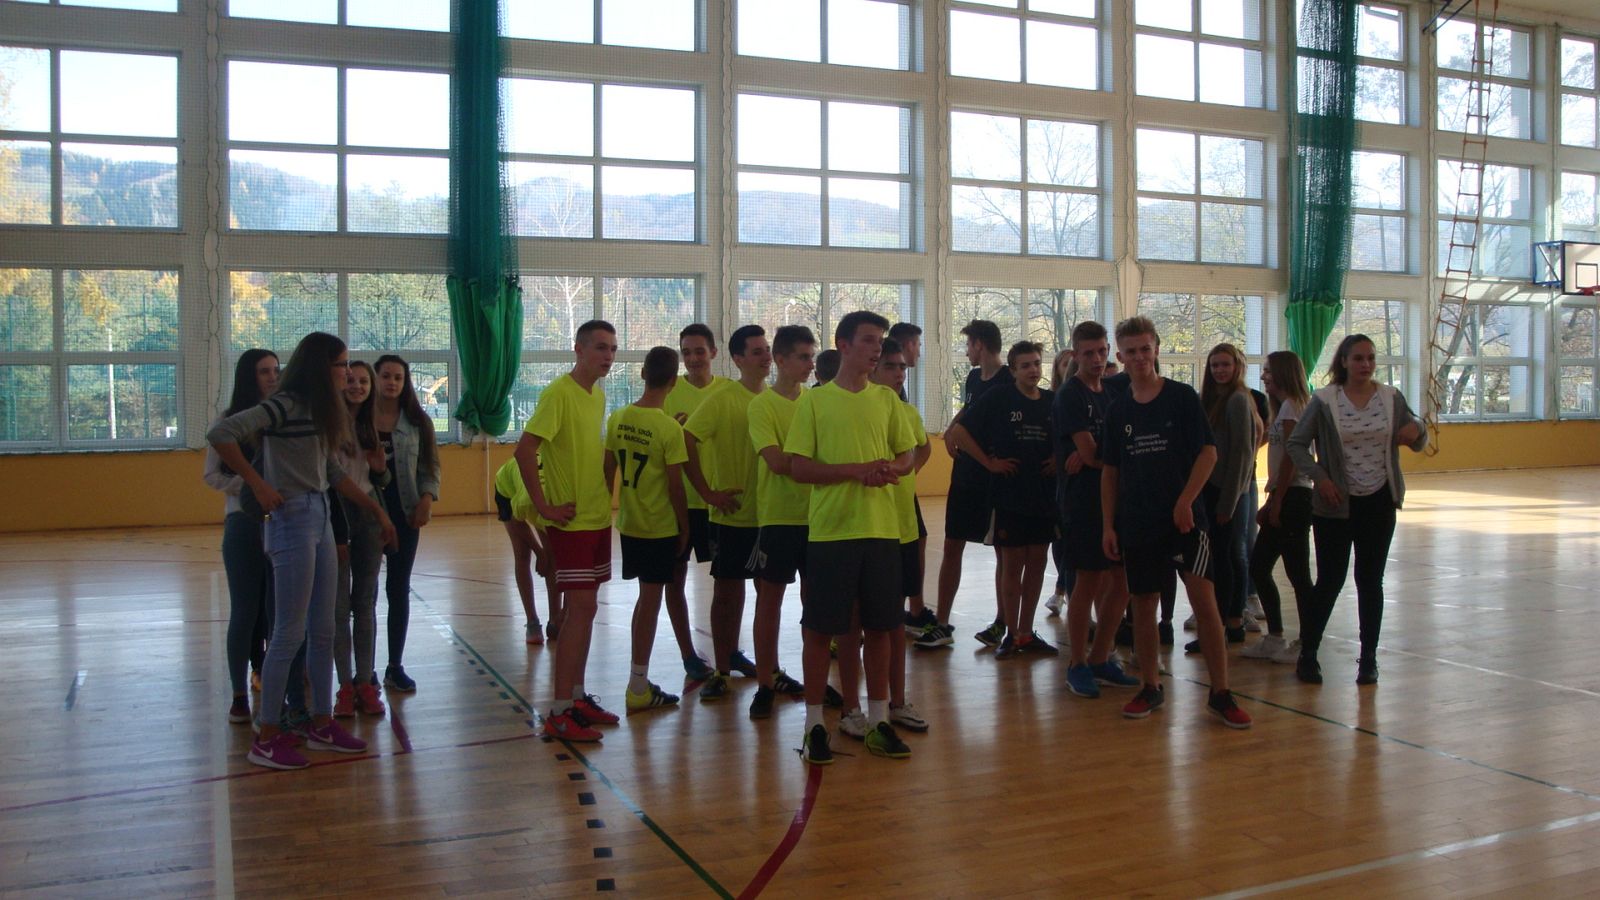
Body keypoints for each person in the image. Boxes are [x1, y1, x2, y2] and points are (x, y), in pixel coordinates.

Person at [209, 332, 398, 770]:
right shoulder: (285, 404)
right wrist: (258, 484)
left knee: (323, 628)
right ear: (321, 367)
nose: (348, 372)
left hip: (319, 513)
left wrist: (376, 510)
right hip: (291, 517)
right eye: (341, 364)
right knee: (289, 632)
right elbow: (221, 433)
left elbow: (332, 472)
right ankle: (267, 735)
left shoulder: (319, 410)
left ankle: (320, 723)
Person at [1100, 317, 1251, 729]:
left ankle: (1221, 693)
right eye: (1131, 351)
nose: (1139, 357)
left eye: (1145, 349)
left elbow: (1208, 453)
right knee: (1143, 604)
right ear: (1121, 356)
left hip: (1185, 523)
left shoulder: (1181, 398)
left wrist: (1186, 500)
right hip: (1138, 523)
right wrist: (1109, 525)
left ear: (1156, 349)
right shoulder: (1118, 411)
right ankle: (1150, 686)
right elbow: (1110, 471)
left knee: (1205, 603)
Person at [788, 311, 919, 764]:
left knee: (881, 628)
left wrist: (889, 469)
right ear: (843, 345)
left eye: (880, 341)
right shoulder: (815, 402)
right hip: (832, 533)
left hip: (882, 531)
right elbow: (798, 467)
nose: (876, 348)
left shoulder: (887, 400)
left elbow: (907, 455)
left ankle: (879, 721)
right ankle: (814, 726)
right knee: (820, 631)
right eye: (868, 340)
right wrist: (854, 471)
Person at [1286, 334, 1427, 685]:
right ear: (1344, 362)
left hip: (1379, 501)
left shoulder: (1390, 397)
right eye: (1359, 358)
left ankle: (1368, 659)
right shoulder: (1325, 400)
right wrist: (1321, 478)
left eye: (1371, 358)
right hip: (1335, 505)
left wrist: (1418, 429)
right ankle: (1308, 653)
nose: (1366, 364)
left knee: (1370, 581)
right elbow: (1297, 444)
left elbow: (1418, 435)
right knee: (1330, 581)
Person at [516, 320, 619, 741]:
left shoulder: (598, 395)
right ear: (578, 349)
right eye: (600, 347)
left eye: (612, 349)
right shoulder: (559, 393)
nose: (608, 356)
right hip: (571, 521)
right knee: (578, 610)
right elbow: (525, 449)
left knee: (586, 610)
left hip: (597, 517)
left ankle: (576, 697)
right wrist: (543, 507)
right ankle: (559, 711)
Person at [947, 341, 1059, 658]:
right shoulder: (999, 397)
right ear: (1013, 370)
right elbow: (960, 432)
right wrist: (989, 463)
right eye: (1025, 365)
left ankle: (1026, 632)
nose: (1033, 370)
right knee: (1012, 565)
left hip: (1043, 497)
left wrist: (1059, 457)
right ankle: (1011, 632)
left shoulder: (1051, 401)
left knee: (1037, 563)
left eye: (1036, 363)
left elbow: (1069, 437)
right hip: (1009, 496)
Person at [1055, 322, 1141, 699]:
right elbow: (1091, 455)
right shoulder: (1070, 396)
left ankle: (1101, 657)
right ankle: (1077, 663)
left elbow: (1103, 449)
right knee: (1087, 582)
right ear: (1075, 355)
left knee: (1121, 582)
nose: (1096, 359)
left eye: (1102, 351)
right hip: (1083, 503)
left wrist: (1100, 452)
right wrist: (1099, 453)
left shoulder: (1112, 391)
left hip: (1117, 500)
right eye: (1088, 353)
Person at [684, 324, 769, 699]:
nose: (766, 357)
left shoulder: (777, 399)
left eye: (767, 350)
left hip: (771, 516)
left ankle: (768, 669)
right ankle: (721, 670)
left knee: (768, 593)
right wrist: (707, 492)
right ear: (737, 359)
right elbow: (687, 438)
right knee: (728, 592)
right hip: (732, 515)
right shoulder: (722, 399)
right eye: (757, 351)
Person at [606, 346, 692, 713]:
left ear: (642, 374)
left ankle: (638, 681)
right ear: (674, 381)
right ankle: (638, 686)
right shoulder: (669, 428)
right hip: (659, 526)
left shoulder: (618, 417)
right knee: (651, 603)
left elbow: (607, 470)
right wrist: (684, 527)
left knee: (645, 599)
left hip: (630, 523)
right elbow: (675, 486)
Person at [745, 325, 817, 719]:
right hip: (778, 518)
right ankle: (765, 683)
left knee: (815, 602)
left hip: (818, 517)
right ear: (781, 360)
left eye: (812, 357)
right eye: (803, 357)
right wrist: (816, 466)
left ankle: (815, 682)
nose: (810, 365)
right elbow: (774, 461)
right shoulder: (762, 406)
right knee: (769, 601)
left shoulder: (816, 402)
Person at [205, 348, 278, 725]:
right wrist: (250, 486)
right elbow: (212, 475)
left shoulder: (282, 419)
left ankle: (275, 681)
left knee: (277, 611)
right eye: (264, 371)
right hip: (243, 524)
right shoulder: (228, 422)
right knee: (245, 610)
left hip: (281, 524)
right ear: (248, 376)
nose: (272, 377)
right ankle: (238, 695)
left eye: (276, 370)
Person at [933, 319, 1011, 647]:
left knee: (1003, 553)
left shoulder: (1009, 380)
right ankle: (941, 622)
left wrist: (987, 460)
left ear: (979, 344)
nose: (966, 352)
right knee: (952, 545)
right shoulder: (973, 378)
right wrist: (952, 429)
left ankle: (1003, 622)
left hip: (992, 480)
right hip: (965, 476)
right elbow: (968, 409)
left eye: (968, 345)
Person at [871, 337, 930, 733]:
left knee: (893, 621)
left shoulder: (907, 412)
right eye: (890, 366)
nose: (898, 373)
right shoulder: (858, 408)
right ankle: (857, 708)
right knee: (858, 624)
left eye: (902, 367)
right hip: (865, 528)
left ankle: (897, 701)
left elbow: (921, 450)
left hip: (902, 528)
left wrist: (906, 472)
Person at [372, 354, 440, 694]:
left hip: (405, 515)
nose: (392, 382)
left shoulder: (417, 422)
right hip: (366, 518)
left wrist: (426, 499)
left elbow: (430, 467)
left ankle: (395, 667)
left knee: (398, 589)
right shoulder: (357, 420)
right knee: (363, 596)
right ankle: (363, 672)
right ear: (375, 378)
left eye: (398, 377)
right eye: (386, 376)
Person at [1183, 343, 1258, 653]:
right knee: (1222, 557)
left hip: (1226, 492)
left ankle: (1225, 625)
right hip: (1212, 489)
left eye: (1225, 364)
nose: (1219, 370)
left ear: (1237, 367)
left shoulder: (1238, 399)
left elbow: (1242, 455)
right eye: (1215, 365)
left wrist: (1229, 501)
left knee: (1224, 560)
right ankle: (1230, 624)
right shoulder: (1213, 399)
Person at [1241, 351, 1315, 664]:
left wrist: (1278, 500)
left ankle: (1306, 643)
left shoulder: (1292, 407)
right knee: (1259, 567)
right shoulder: (1283, 407)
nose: (1263, 377)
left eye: (1269, 371)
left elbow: (1292, 458)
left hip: (1295, 497)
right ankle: (1275, 637)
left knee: (1298, 574)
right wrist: (1273, 499)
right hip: (1285, 495)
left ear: (1283, 373)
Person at [662, 324, 722, 681]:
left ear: (714, 352)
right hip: (682, 502)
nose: (693, 358)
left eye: (699, 351)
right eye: (686, 352)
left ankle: (728, 652)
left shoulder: (727, 392)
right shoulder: (669, 393)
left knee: (728, 582)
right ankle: (688, 654)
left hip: (719, 504)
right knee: (675, 578)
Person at [332, 360, 388, 718]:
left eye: (364, 381)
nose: (357, 386)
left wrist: (381, 471)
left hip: (367, 517)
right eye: (350, 380)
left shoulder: (372, 426)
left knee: (364, 602)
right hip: (336, 514)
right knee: (338, 607)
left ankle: (366, 681)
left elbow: (381, 480)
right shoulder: (328, 425)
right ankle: (344, 686)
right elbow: (331, 477)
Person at [491, 457, 555, 645]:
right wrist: (539, 552)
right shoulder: (524, 502)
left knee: (552, 559)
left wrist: (558, 620)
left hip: (542, 498)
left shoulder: (558, 495)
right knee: (522, 555)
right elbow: (517, 524)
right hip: (507, 490)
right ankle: (532, 621)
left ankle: (554, 619)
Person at [1045, 348, 1076, 618]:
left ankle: (1062, 590)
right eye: (1065, 364)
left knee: (1075, 541)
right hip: (1054, 483)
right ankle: (1062, 588)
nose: (1070, 368)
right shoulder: (1051, 400)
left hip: (1076, 481)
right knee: (1059, 539)